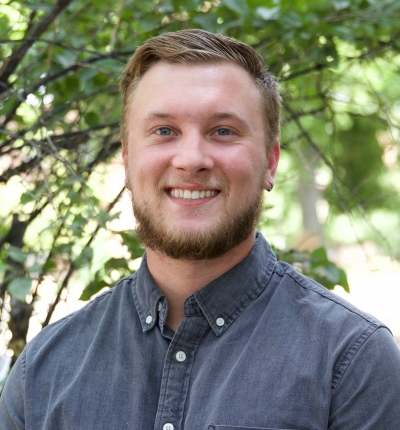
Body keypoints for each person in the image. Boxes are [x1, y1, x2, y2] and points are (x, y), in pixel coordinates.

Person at [1, 29, 400, 430]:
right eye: (164, 131)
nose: (191, 159)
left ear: (270, 161)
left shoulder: (351, 363)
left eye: (223, 131)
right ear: (126, 159)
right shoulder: (42, 372)